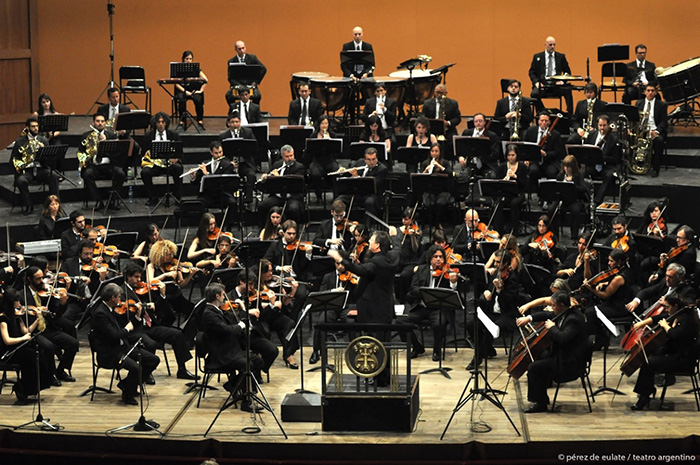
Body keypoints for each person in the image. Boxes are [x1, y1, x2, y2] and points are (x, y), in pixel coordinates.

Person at [328, 231, 395, 386]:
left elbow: (362, 271)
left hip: (375, 311)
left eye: (371, 240)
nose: (369, 242)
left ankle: (380, 378)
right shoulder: (386, 259)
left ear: (377, 245)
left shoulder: (377, 262)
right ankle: (380, 377)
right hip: (381, 309)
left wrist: (340, 259)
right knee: (381, 344)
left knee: (377, 345)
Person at [515, 291, 589, 413]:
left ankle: (540, 403)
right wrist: (528, 318)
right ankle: (542, 397)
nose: (551, 307)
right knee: (539, 358)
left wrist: (552, 328)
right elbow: (545, 315)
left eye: (553, 305)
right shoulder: (564, 312)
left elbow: (562, 338)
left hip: (569, 362)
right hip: (561, 355)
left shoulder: (574, 319)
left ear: (561, 305)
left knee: (534, 368)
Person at [121, 263, 197, 380]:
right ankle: (147, 373)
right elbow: (127, 312)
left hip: (150, 326)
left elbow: (162, 309)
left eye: (140, 277)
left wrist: (162, 295)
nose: (139, 280)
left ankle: (182, 369)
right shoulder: (123, 292)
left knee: (177, 334)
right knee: (150, 343)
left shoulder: (144, 290)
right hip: (136, 329)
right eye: (136, 277)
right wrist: (145, 306)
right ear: (128, 277)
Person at [91, 283, 160, 405]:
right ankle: (127, 394)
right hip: (110, 353)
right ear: (112, 297)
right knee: (136, 368)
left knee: (153, 360)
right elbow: (114, 335)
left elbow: (127, 327)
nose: (120, 300)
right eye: (118, 296)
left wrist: (138, 316)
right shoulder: (100, 313)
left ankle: (126, 384)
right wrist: (127, 329)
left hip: (122, 347)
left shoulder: (111, 309)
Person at [199, 282, 263, 412]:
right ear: (217, 296)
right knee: (247, 365)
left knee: (258, 361)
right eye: (223, 295)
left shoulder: (217, 310)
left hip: (229, 349)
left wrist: (241, 312)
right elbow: (226, 330)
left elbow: (229, 324)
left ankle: (233, 384)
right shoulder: (209, 314)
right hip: (221, 354)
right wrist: (240, 326)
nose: (225, 297)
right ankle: (246, 402)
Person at [629, 294, 698, 410]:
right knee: (649, 358)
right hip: (673, 354)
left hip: (683, 359)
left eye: (667, 307)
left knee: (649, 363)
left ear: (676, 306)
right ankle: (647, 391)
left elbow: (675, 335)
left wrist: (666, 326)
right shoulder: (676, 314)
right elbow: (660, 317)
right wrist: (643, 323)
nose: (666, 310)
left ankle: (644, 397)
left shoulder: (686, 320)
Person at [404, 245, 459, 361]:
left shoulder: (447, 272)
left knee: (439, 323)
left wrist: (453, 283)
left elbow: (452, 292)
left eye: (440, 257)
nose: (438, 259)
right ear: (430, 258)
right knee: (401, 323)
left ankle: (437, 350)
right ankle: (417, 347)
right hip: (422, 306)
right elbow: (413, 288)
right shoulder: (421, 270)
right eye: (435, 257)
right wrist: (425, 294)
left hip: (438, 308)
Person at [467, 248, 520, 369]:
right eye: (495, 261)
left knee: (491, 329)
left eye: (498, 262)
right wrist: (486, 293)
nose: (495, 264)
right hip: (493, 312)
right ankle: (488, 349)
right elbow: (489, 289)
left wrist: (500, 290)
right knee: (471, 324)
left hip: (507, 315)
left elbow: (510, 301)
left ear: (506, 263)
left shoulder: (512, 278)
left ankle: (478, 358)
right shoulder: (496, 274)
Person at [0, 288, 52, 402]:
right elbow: (7, 340)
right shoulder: (3, 319)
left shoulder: (16, 315)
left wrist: (38, 318)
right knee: (32, 360)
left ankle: (28, 389)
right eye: (17, 301)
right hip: (9, 352)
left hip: (19, 349)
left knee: (40, 359)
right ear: (11, 302)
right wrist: (22, 339)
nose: (19, 303)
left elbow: (26, 331)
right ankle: (22, 388)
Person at [228, 271, 278, 377]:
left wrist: (272, 304)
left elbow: (263, 316)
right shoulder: (230, 297)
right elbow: (231, 318)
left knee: (273, 350)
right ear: (241, 282)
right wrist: (246, 312)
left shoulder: (253, 295)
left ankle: (257, 370)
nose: (252, 287)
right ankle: (253, 373)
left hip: (253, 333)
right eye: (249, 284)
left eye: (253, 284)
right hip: (239, 336)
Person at [582, 249, 634, 349]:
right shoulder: (625, 270)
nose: (609, 263)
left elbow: (605, 295)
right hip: (617, 302)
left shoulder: (619, 278)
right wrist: (603, 283)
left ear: (619, 262)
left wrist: (590, 288)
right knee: (592, 306)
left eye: (611, 261)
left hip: (619, 307)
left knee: (590, 312)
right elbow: (613, 284)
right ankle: (602, 338)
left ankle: (601, 339)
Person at [262, 220, 311, 322]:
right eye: (289, 233)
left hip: (296, 279)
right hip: (280, 279)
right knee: (280, 293)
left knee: (302, 294)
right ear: (283, 233)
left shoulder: (299, 246)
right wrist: (279, 267)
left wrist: (308, 254)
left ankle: (292, 319)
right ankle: (280, 319)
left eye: (294, 234)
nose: (292, 236)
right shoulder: (275, 246)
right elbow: (265, 261)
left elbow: (304, 267)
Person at [11, 117, 59, 215]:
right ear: (27, 128)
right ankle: (28, 205)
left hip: (41, 169)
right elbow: (13, 159)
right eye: (33, 127)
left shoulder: (44, 141)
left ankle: (54, 205)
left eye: (37, 126)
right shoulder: (19, 142)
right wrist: (21, 166)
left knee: (53, 176)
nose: (36, 129)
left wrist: (43, 151)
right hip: (27, 170)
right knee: (21, 181)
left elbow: (49, 162)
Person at [79, 113, 125, 210]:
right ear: (93, 122)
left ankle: (112, 200)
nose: (100, 123)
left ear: (105, 123)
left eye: (102, 121)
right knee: (87, 174)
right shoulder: (86, 136)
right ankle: (98, 201)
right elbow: (81, 152)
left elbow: (117, 153)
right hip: (94, 165)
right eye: (98, 121)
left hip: (108, 165)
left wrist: (106, 142)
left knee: (121, 173)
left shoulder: (111, 135)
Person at [334, 147, 388, 228]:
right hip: (356, 193)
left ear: (377, 158)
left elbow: (373, 185)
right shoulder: (359, 162)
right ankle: (341, 225)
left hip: (371, 194)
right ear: (365, 159)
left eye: (374, 159)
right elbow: (348, 174)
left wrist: (357, 177)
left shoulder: (382, 169)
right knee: (339, 201)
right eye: (368, 160)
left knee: (369, 202)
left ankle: (367, 228)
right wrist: (342, 172)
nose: (371, 162)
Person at [140, 112, 183, 206]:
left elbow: (179, 152)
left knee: (178, 168)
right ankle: (152, 197)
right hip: (154, 165)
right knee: (145, 172)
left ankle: (178, 196)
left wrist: (175, 158)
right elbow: (144, 153)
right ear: (155, 123)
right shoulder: (148, 136)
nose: (161, 124)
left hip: (169, 164)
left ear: (166, 123)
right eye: (158, 122)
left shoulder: (173, 135)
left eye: (163, 122)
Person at [258, 145, 307, 226]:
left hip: (293, 197)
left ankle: (294, 231)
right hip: (277, 196)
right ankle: (264, 231)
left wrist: (278, 177)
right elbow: (270, 185)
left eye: (291, 155)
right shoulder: (277, 165)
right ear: (282, 156)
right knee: (262, 206)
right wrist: (266, 179)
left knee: (293, 209)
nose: (290, 158)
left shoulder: (299, 167)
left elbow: (294, 185)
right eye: (287, 156)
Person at [626, 263, 696, 316]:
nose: (667, 279)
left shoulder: (688, 291)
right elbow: (648, 291)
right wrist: (636, 301)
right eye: (666, 275)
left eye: (670, 277)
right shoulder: (664, 282)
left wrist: (669, 302)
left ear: (679, 278)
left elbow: (687, 307)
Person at [218, 112, 257, 204]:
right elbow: (221, 154)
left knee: (251, 174)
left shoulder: (248, 132)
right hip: (230, 165)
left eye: (237, 122)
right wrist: (229, 163)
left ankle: (248, 200)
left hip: (244, 163)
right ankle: (230, 199)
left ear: (240, 122)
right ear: (228, 123)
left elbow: (254, 148)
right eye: (232, 122)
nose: (235, 124)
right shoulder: (223, 136)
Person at [528, 36, 573, 114]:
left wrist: (562, 82)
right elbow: (532, 72)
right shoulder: (537, 57)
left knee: (568, 91)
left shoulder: (561, 57)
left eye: (554, 45)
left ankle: (569, 114)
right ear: (545, 45)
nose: (552, 47)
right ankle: (542, 112)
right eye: (550, 45)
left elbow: (568, 72)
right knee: (534, 94)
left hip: (556, 85)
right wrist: (536, 83)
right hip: (542, 84)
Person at [548, 155, 588, 239]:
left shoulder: (578, 175)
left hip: (575, 200)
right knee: (551, 210)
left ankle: (574, 235)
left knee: (575, 211)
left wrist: (573, 186)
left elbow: (584, 188)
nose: (566, 169)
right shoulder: (561, 175)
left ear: (573, 167)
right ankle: (555, 235)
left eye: (568, 167)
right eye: (565, 166)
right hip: (562, 200)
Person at [189, 141, 238, 210]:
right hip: (208, 195)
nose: (219, 155)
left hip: (223, 194)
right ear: (211, 152)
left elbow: (220, 181)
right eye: (216, 153)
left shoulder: (228, 165)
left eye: (220, 152)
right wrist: (193, 177)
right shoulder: (205, 164)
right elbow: (195, 182)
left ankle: (228, 221)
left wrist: (207, 174)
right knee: (198, 204)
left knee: (232, 203)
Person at [584, 115, 621, 205]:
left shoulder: (614, 139)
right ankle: (587, 199)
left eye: (604, 125)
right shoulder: (592, 135)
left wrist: (602, 157)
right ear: (597, 125)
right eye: (600, 125)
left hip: (606, 166)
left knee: (609, 176)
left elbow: (615, 159)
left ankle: (597, 200)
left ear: (608, 125)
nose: (602, 128)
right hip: (593, 165)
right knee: (580, 174)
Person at [635, 84, 668, 177]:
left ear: (656, 92)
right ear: (645, 92)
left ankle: (655, 169)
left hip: (654, 130)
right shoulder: (639, 103)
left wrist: (656, 131)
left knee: (659, 141)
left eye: (652, 91)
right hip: (642, 131)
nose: (650, 93)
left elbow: (663, 122)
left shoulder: (661, 105)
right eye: (648, 90)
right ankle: (636, 164)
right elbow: (635, 119)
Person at [458, 112, 501, 179]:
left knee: (491, 176)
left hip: (487, 164)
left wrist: (481, 153)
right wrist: (460, 157)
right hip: (471, 164)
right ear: (473, 123)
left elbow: (495, 154)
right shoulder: (467, 133)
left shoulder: (492, 135)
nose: (478, 123)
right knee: (463, 177)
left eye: (480, 121)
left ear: (484, 122)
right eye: (476, 121)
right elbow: (461, 148)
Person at [525, 111, 565, 183]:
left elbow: (557, 152)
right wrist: (527, 158)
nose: (544, 123)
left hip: (549, 161)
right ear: (538, 121)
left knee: (552, 172)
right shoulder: (530, 131)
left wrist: (545, 154)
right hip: (534, 161)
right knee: (533, 171)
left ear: (549, 122)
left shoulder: (556, 134)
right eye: (542, 120)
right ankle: (535, 191)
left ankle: (549, 192)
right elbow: (526, 146)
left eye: (546, 121)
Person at [307, 115, 340, 201]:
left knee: (335, 171)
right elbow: (310, 151)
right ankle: (319, 195)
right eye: (322, 123)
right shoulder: (313, 135)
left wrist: (330, 142)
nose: (324, 125)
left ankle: (336, 196)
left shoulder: (333, 135)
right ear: (319, 125)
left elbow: (337, 151)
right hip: (317, 161)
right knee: (315, 174)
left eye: (326, 123)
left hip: (330, 160)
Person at [419, 143, 452, 228]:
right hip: (429, 189)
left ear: (440, 152)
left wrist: (440, 167)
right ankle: (431, 224)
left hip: (443, 190)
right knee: (429, 203)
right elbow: (420, 178)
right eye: (432, 151)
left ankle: (437, 224)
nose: (434, 153)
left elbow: (450, 174)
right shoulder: (425, 163)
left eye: (436, 151)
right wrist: (426, 170)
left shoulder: (445, 163)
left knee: (440, 203)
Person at [498, 144, 528, 234]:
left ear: (517, 155)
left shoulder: (522, 166)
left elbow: (524, 184)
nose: (510, 158)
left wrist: (515, 176)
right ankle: (498, 230)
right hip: (506, 193)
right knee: (498, 203)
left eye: (513, 155)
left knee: (514, 203)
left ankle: (514, 230)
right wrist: (503, 181)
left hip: (518, 193)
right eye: (509, 155)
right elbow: (497, 181)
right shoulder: (502, 166)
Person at [225, 40, 267, 106]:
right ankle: (234, 112)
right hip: (237, 86)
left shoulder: (253, 58)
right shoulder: (231, 61)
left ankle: (253, 112)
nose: (242, 50)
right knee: (228, 96)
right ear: (235, 50)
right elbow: (230, 77)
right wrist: (237, 85)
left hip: (250, 85)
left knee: (257, 96)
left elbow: (263, 69)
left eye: (243, 48)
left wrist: (256, 82)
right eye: (239, 49)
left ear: (245, 48)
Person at [174, 50, 208, 128]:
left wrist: (200, 91)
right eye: (187, 59)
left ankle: (200, 119)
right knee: (181, 99)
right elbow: (176, 83)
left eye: (190, 59)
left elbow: (205, 80)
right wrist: (185, 91)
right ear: (183, 59)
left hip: (193, 91)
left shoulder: (196, 68)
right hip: (182, 91)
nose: (189, 61)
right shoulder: (179, 69)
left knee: (198, 100)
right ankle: (182, 119)